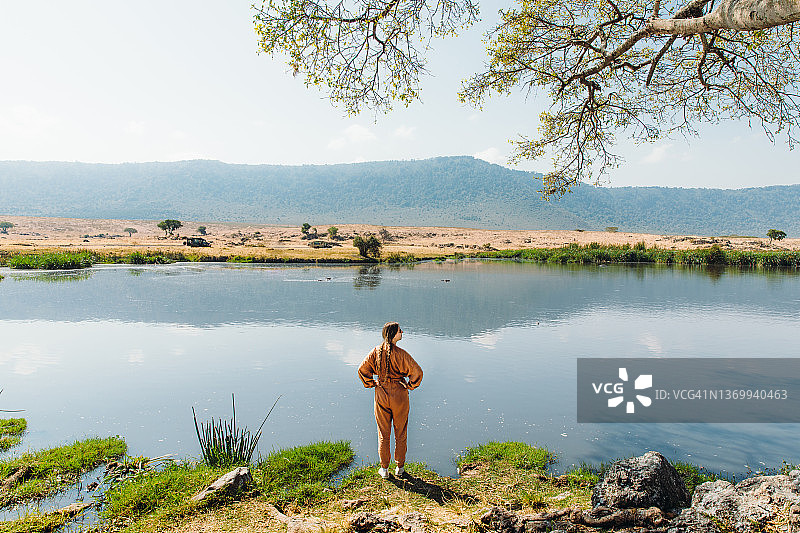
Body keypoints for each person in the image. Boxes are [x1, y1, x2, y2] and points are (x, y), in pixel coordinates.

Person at [358, 322, 423, 478]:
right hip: (399, 394)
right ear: (393, 334)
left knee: (383, 433)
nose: (402, 332)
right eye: (400, 331)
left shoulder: (375, 352)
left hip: (381, 393)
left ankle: (384, 469)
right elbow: (418, 372)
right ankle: (399, 468)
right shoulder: (402, 354)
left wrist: (372, 383)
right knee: (400, 432)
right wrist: (410, 386)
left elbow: (362, 370)